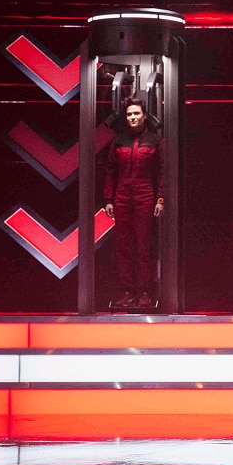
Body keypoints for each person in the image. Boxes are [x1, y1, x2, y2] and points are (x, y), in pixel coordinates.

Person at [103, 96, 164, 308]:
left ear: (144, 116)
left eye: (136, 113)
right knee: (124, 246)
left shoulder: (155, 140)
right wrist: (108, 199)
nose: (133, 117)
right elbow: (111, 170)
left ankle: (145, 292)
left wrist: (160, 199)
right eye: (129, 114)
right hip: (122, 197)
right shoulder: (119, 140)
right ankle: (127, 291)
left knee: (144, 245)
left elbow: (162, 172)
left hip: (145, 196)